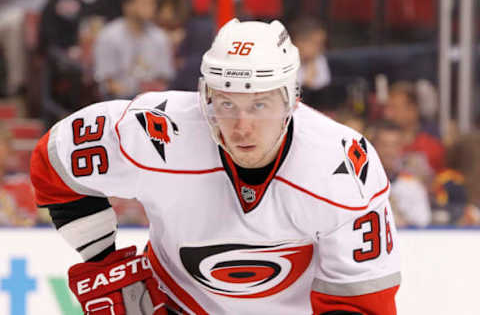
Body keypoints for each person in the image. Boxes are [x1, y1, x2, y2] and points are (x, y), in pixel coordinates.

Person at [30, 19, 400, 314]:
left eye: (259, 105)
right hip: (177, 303)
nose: (242, 127)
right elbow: (55, 159)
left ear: (291, 100)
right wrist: (101, 260)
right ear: (206, 98)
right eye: (226, 104)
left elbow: (364, 305)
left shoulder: (343, 166)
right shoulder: (159, 131)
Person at [93, 0, 175, 100]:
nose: (151, 8)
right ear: (128, 6)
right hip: (117, 102)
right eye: (145, 3)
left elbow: (164, 79)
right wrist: (131, 94)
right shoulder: (109, 36)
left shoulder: (160, 37)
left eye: (153, 4)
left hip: (152, 101)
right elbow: (108, 82)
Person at [371, 120, 431, 227]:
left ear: (401, 148)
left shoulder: (412, 186)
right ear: (373, 147)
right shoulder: (361, 186)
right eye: (384, 145)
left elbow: (423, 223)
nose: (389, 151)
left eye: (394, 145)